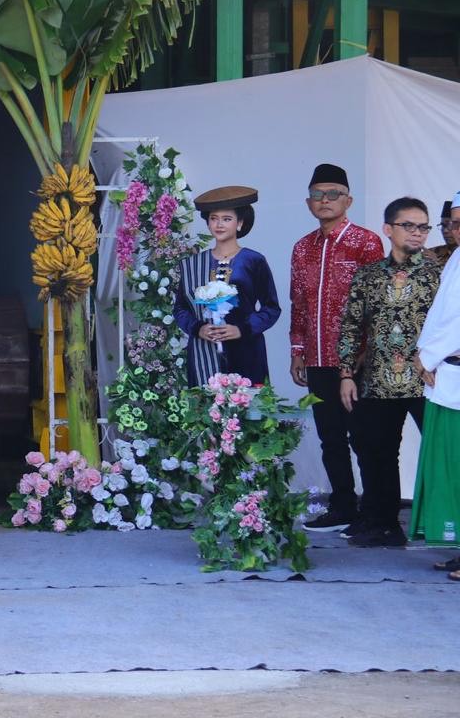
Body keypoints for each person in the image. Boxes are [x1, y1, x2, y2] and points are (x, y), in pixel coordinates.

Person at [338, 197, 441, 548]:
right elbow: (351, 326)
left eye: (423, 226)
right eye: (408, 225)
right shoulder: (368, 275)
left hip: (430, 381)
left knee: (444, 451)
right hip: (379, 378)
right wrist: (346, 374)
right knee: (376, 452)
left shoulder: (439, 274)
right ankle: (382, 524)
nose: (417, 233)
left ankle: (442, 525)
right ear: (388, 229)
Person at [289, 164, 385, 533]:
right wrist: (297, 350)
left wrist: (362, 356)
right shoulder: (302, 248)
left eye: (333, 194)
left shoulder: (365, 243)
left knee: (363, 436)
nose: (324, 201)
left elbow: (376, 305)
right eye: (318, 195)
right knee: (329, 436)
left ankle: (374, 510)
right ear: (308, 201)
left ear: (348, 200)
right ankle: (343, 504)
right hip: (316, 359)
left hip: (356, 361)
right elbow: (299, 302)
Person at [173, 186, 281, 388]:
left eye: (227, 219)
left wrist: (242, 329)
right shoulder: (193, 264)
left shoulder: (253, 260)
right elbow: (180, 309)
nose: (219, 224)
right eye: (214, 218)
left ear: (240, 223)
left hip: (247, 352)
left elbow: (271, 308)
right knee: (206, 415)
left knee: (248, 413)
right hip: (204, 353)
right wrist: (198, 329)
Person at [410, 190, 460, 579]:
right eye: (452, 222)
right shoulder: (456, 258)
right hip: (447, 374)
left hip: (450, 368)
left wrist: (426, 357)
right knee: (449, 465)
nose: (454, 230)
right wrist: (424, 354)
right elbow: (439, 316)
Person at [428, 199, 455, 265]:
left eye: (450, 225)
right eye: (443, 225)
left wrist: (436, 264)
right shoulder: (433, 252)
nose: (445, 231)